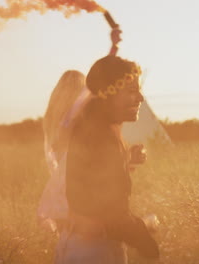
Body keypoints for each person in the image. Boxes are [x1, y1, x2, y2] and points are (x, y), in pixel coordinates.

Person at [54, 55, 160, 263]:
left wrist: (126, 159)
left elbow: (94, 180)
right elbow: (113, 217)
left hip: (77, 246)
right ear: (108, 95)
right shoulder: (103, 139)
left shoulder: (93, 130)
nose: (140, 98)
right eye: (131, 91)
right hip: (94, 251)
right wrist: (145, 232)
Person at [38, 70, 91, 231]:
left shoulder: (50, 119)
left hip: (57, 186)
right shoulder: (71, 120)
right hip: (77, 185)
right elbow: (92, 91)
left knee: (65, 236)